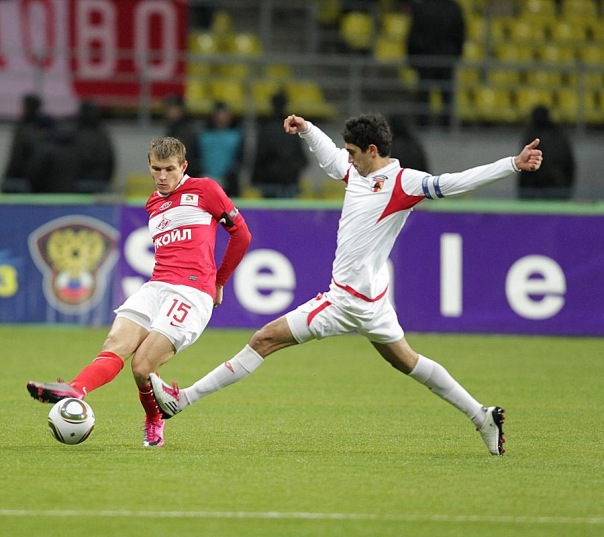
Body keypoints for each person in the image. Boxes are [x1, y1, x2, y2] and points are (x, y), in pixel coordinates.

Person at [150, 113, 543, 456]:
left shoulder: (403, 183)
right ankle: (482, 416)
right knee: (406, 360)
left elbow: (455, 182)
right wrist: (307, 129)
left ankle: (181, 401)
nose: (348, 159)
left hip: (346, 301)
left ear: (372, 150)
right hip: (374, 300)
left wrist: (512, 164)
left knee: (263, 339)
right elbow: (330, 157)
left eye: (353, 152)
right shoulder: (358, 171)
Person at [27, 137, 252, 447]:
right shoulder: (153, 203)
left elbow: (242, 235)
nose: (162, 176)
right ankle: (76, 389)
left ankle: (155, 419)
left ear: (183, 166)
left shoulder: (205, 190)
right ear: (149, 166)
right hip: (156, 287)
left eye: (169, 169)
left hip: (191, 292)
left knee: (142, 366)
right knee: (114, 344)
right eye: (156, 169)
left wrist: (219, 282)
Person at [406, 0, 465, 126]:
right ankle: (447, 126)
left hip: (425, 59)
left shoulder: (421, 7)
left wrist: (412, 57)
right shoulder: (454, 8)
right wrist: (455, 54)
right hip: (447, 59)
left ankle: (423, 125)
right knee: (447, 96)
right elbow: (460, 34)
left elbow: (413, 35)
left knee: (424, 96)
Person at [251, 91, 308, 198]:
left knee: (270, 209)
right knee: (288, 209)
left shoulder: (266, 128)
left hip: (270, 181)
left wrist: (254, 179)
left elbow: (260, 155)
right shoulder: (292, 128)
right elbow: (302, 158)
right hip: (288, 181)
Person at [518, 105, 575, 200]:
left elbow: (524, 164)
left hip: (536, 188)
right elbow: (570, 163)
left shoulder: (531, 134)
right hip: (557, 185)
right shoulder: (559, 134)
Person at [199, 101, 243, 198]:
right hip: (206, 180)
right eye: (219, 113)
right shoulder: (204, 136)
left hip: (229, 183)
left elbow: (239, 159)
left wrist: (228, 177)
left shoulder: (236, 136)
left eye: (225, 114)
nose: (222, 117)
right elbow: (198, 157)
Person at [2, 93, 44, 193]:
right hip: (36, 180)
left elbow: (16, 158)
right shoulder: (41, 130)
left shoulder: (23, 130)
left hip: (22, 180)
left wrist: (7, 180)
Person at [73, 99, 116, 193]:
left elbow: (70, 160)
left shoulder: (76, 135)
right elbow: (111, 161)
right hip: (100, 182)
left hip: (78, 182)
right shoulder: (103, 136)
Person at [163, 93, 201, 178]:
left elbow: (188, 154)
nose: (170, 112)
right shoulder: (171, 128)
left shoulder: (188, 128)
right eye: (168, 109)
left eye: (172, 108)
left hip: (188, 172)